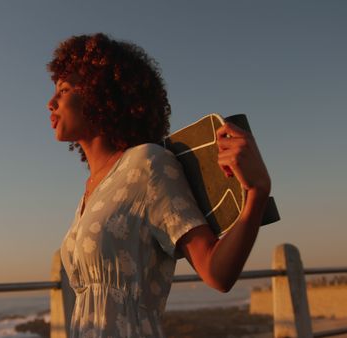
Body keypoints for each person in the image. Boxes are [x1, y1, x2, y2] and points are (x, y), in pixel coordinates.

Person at [46, 33, 271, 338]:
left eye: (63, 89)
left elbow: (217, 273)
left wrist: (256, 193)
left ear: (99, 94)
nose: (51, 102)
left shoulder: (148, 164)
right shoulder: (91, 189)